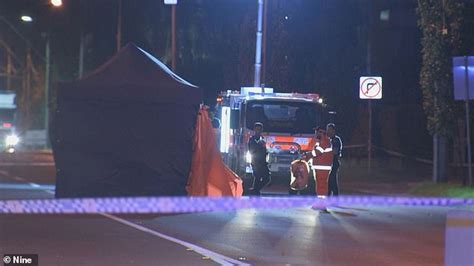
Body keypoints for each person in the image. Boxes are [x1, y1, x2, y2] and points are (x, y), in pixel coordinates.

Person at [309, 126, 333, 197]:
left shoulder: (324, 141)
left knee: (321, 184)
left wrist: (307, 155)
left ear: (321, 132)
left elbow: (317, 152)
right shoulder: (321, 141)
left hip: (322, 167)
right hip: (319, 166)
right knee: (320, 184)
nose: (315, 133)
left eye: (316, 132)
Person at [248, 122, 271, 195]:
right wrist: (259, 146)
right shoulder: (252, 139)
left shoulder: (262, 139)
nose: (258, 131)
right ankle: (255, 191)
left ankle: (255, 190)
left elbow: (265, 150)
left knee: (267, 178)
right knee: (257, 177)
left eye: (260, 129)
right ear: (254, 130)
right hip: (256, 162)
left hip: (263, 162)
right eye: (257, 129)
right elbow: (251, 150)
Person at [327, 123, 343, 196]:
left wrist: (327, 150)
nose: (328, 131)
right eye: (327, 129)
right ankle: (329, 195)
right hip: (328, 163)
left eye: (330, 130)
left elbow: (335, 151)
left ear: (333, 130)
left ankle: (335, 196)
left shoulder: (336, 140)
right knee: (329, 180)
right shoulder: (327, 139)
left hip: (334, 162)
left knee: (332, 180)